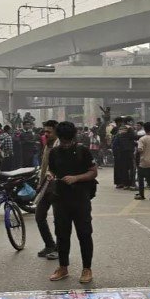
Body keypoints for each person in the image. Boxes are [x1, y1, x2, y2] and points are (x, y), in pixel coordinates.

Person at [47, 121, 98, 284]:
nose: (65, 144)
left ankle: (87, 268)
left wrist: (76, 178)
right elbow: (51, 169)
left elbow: (93, 172)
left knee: (84, 234)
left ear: (73, 137)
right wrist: (50, 175)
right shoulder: (54, 152)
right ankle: (63, 267)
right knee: (62, 235)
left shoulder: (83, 151)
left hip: (80, 199)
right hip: (60, 199)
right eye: (63, 141)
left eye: (68, 141)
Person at [36, 120, 59, 260]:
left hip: (57, 188)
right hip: (45, 186)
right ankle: (49, 244)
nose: (46, 134)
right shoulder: (47, 145)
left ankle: (59, 249)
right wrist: (39, 184)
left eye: (49, 131)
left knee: (59, 220)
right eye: (45, 131)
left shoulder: (60, 146)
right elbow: (44, 166)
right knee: (39, 216)